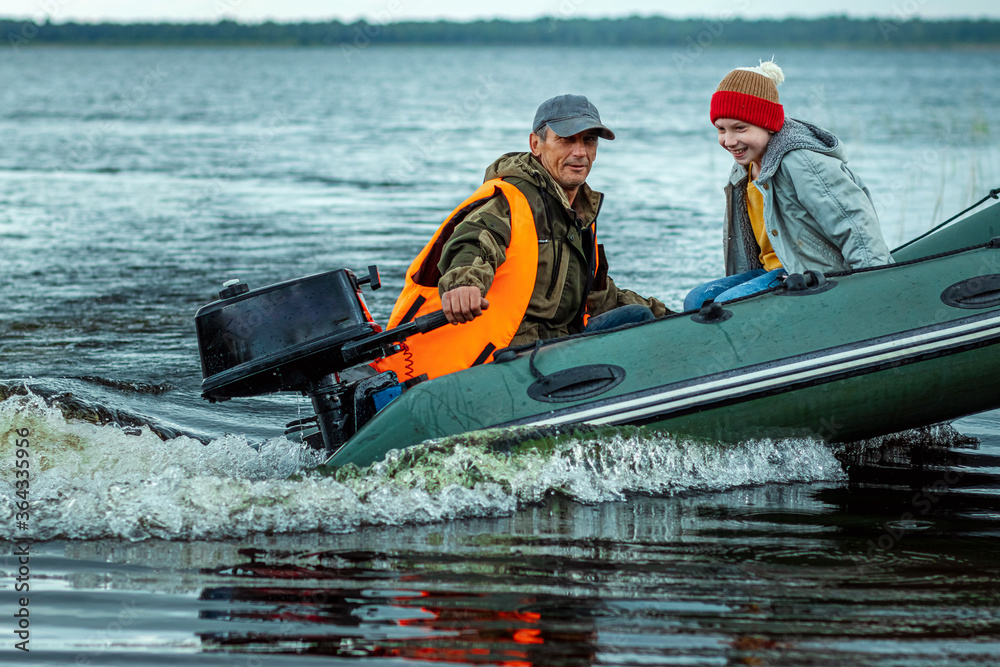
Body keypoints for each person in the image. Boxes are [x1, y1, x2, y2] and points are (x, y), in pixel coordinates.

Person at [375, 94, 670, 382]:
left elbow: (601, 298)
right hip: (503, 361)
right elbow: (473, 241)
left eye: (589, 140)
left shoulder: (578, 215)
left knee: (638, 317)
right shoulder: (509, 199)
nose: (580, 152)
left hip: (556, 348)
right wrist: (463, 285)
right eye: (567, 140)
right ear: (536, 145)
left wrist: (677, 317)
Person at [683, 60, 893, 312]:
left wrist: (877, 289)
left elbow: (857, 225)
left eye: (740, 128)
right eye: (721, 129)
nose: (729, 140)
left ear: (767, 123)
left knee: (730, 306)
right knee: (696, 300)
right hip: (774, 269)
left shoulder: (801, 161)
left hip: (814, 273)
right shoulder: (743, 169)